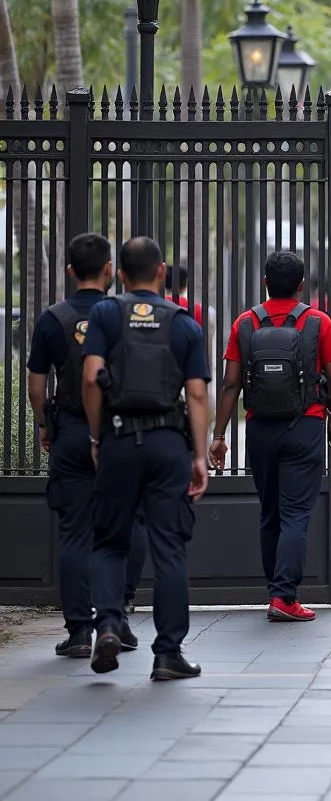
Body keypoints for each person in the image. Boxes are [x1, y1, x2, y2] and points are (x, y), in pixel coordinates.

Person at [81, 237, 210, 680]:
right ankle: (168, 653)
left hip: (118, 439)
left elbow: (90, 379)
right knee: (169, 547)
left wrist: (98, 437)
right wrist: (198, 455)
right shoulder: (184, 323)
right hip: (167, 444)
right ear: (161, 273)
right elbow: (196, 393)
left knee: (109, 540)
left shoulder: (105, 313)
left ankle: (110, 624)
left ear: (118, 274)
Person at [211, 250, 331, 622]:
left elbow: (230, 384)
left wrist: (219, 434)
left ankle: (276, 591)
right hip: (304, 426)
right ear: (302, 284)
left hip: (259, 429)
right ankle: (284, 596)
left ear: (265, 282)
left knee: (269, 512)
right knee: (296, 514)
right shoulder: (318, 322)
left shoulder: (245, 323)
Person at [26, 233, 141, 658]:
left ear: (71, 271)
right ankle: (119, 618)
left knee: (74, 532)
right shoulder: (127, 315)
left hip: (71, 429)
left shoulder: (52, 319)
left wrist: (45, 425)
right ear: (110, 269)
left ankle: (78, 631)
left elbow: (37, 385)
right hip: (121, 429)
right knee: (127, 524)